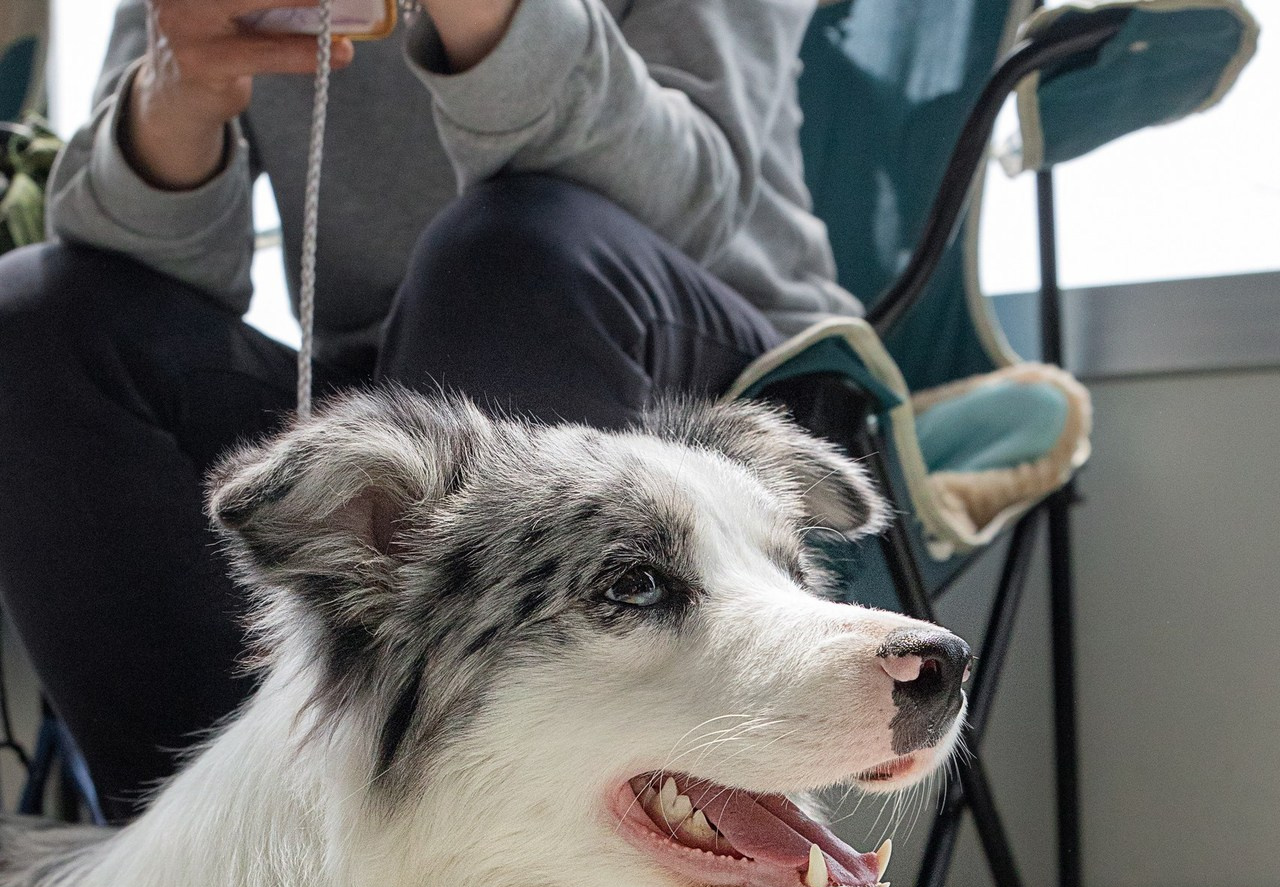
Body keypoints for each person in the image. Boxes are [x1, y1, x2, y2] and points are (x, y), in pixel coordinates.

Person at [0, 0, 857, 819]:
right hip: (404, 404)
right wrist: (180, 94)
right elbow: (136, 265)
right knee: (38, 324)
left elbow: (692, 198)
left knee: (509, 249)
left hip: (705, 384)